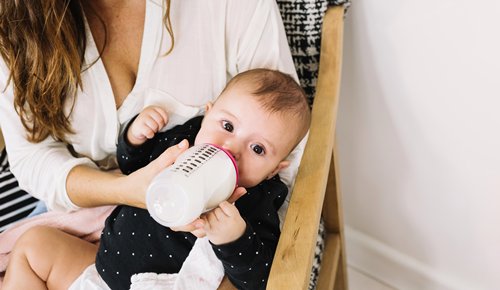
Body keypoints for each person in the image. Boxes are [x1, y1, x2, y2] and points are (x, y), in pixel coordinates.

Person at [2, 68, 311, 290]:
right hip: (102, 273)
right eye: (227, 125)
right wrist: (135, 139)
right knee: (34, 246)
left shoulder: (256, 203)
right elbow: (131, 167)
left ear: (273, 169)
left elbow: (260, 278)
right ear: (208, 113)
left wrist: (234, 239)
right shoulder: (182, 144)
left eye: (258, 149)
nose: (232, 147)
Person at [0, 0, 300, 226]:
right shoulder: (16, 22)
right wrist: (123, 190)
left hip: (205, 231)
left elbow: (289, 149)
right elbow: (33, 156)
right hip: (86, 212)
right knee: (32, 253)